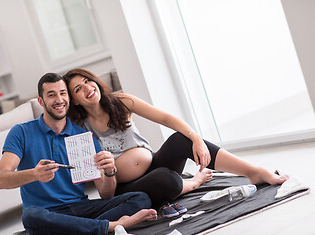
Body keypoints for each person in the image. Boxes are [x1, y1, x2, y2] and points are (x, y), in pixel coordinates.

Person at [63, 68, 288, 215]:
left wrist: (196, 138)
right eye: (78, 89)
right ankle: (191, 184)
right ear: (74, 100)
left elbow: (165, 118)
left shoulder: (121, 102)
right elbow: (105, 195)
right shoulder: (77, 132)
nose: (87, 89)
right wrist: (110, 172)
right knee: (166, 179)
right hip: (127, 188)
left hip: (155, 165)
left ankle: (253, 171)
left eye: (87, 81)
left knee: (180, 140)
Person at [0, 73, 157, 235]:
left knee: (140, 198)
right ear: (41, 101)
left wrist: (109, 172)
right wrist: (34, 174)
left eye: (63, 93)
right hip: (47, 214)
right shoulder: (21, 132)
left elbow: (105, 193)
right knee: (30, 216)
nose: (59, 99)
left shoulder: (83, 136)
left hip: (81, 208)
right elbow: (0, 180)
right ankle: (110, 226)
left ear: (69, 98)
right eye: (51, 95)